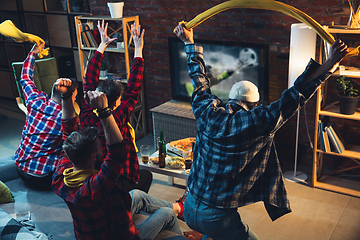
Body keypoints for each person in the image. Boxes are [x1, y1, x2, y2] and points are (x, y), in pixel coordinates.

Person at [174, 23, 348, 240]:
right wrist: (332, 61)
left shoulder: (207, 111)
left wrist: (188, 42)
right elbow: (297, 94)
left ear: (230, 98)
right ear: (256, 104)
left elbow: (198, 80)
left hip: (188, 208)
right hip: (217, 218)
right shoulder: (258, 121)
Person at [52, 79, 185, 240]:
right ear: (93, 156)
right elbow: (117, 153)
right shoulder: (94, 187)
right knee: (167, 214)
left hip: (102, 222)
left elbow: (69, 131)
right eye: (100, 147)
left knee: (137, 194)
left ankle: (180, 208)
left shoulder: (61, 176)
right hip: (118, 235)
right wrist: (104, 111)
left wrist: (65, 98)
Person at [79, 19, 152, 193]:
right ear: (115, 102)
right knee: (146, 176)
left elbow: (89, 78)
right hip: (117, 178)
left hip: (95, 178)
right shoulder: (117, 116)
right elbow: (134, 86)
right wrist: (139, 48)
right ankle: (128, 203)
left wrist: (102, 45)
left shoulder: (87, 111)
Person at [14, 42, 78, 190]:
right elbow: (72, 134)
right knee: (74, 148)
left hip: (20, 168)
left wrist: (33, 52)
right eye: (74, 97)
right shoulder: (65, 120)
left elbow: (25, 77)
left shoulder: (34, 100)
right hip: (41, 178)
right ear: (71, 98)